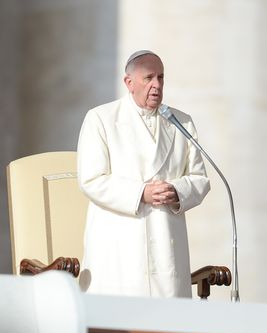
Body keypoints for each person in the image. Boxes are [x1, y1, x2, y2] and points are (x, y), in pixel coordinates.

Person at [77, 50, 210, 298]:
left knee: (168, 327)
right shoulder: (101, 119)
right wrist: (142, 193)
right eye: (148, 77)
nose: (157, 85)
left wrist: (177, 191)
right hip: (120, 243)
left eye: (161, 77)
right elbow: (91, 179)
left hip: (166, 242)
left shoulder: (182, 122)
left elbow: (199, 178)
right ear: (129, 83)